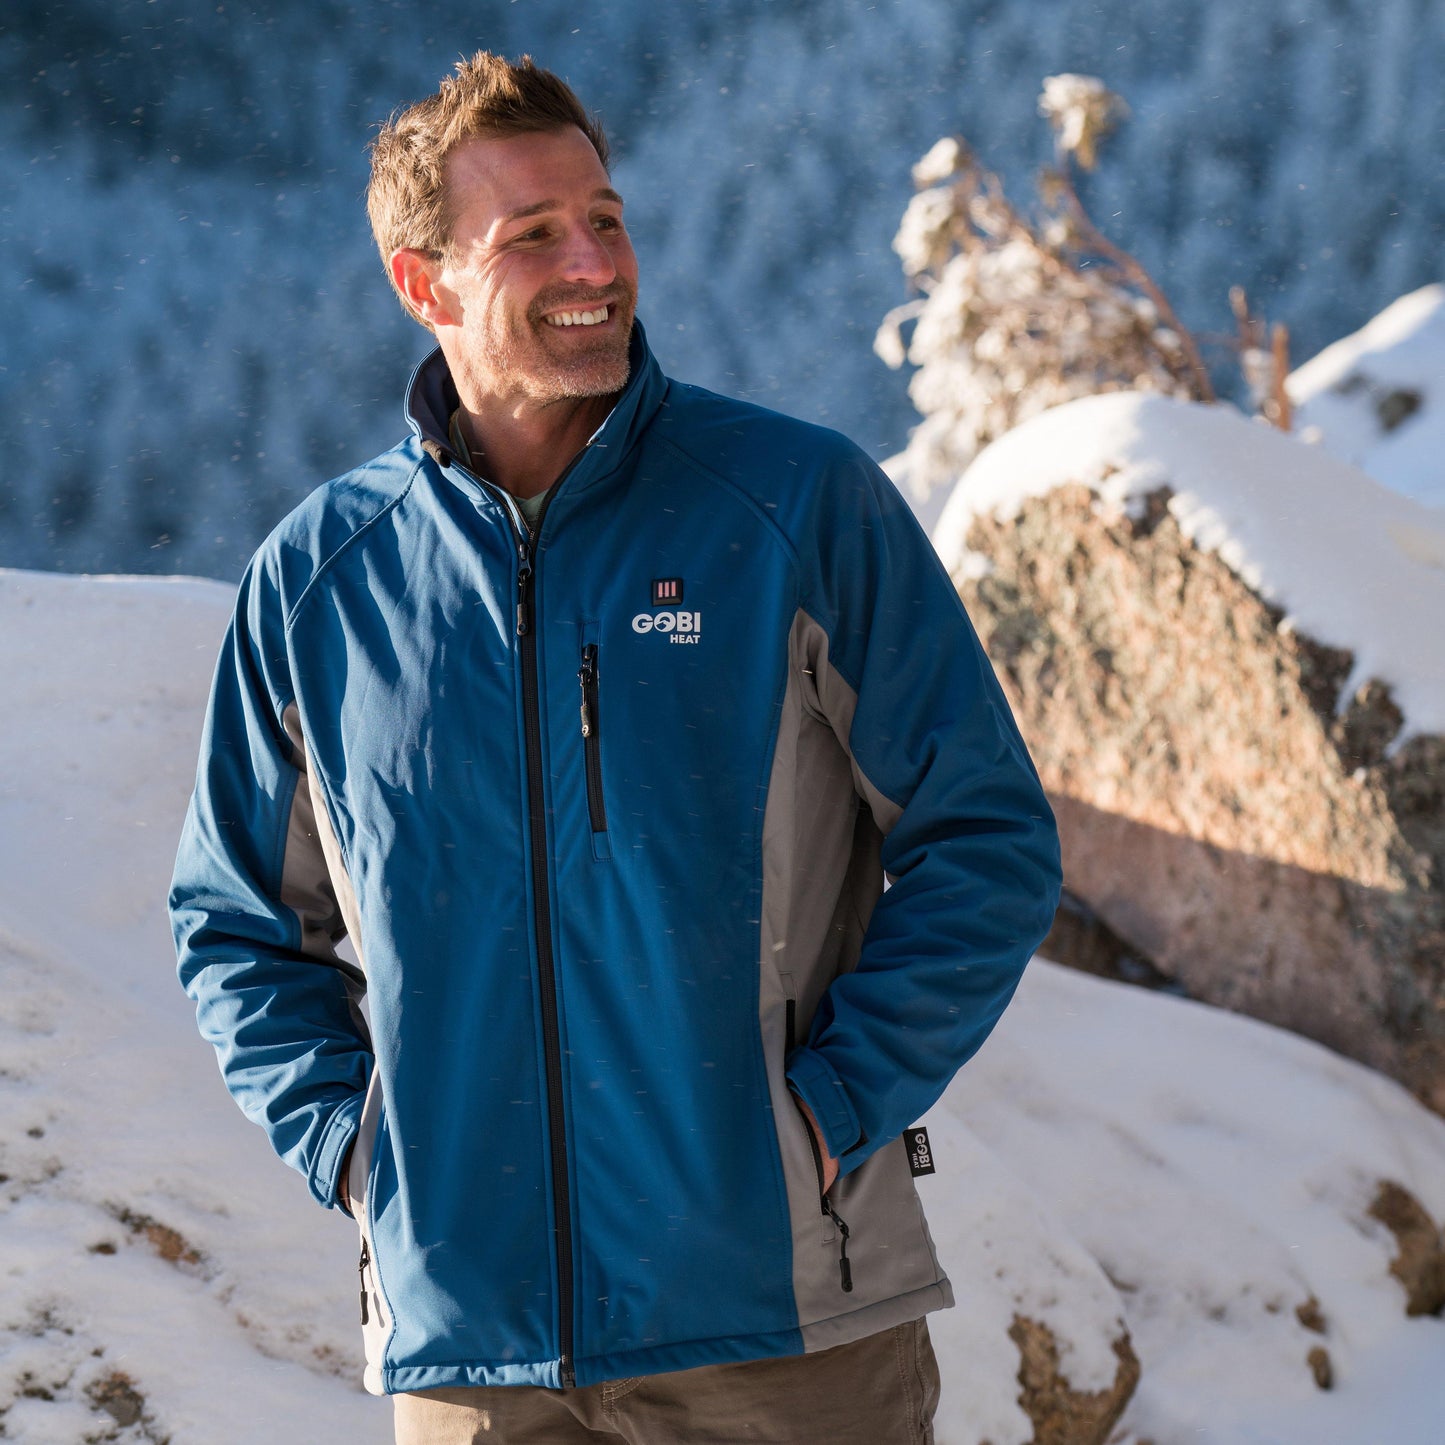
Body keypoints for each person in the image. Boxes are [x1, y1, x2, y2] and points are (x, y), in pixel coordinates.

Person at [170, 52, 1061, 1445]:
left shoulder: (791, 506)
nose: (593, 262)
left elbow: (986, 838)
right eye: (532, 234)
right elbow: (234, 924)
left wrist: (829, 1111)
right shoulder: (319, 582)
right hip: (475, 1355)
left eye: (605, 217)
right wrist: (357, 1150)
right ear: (424, 283)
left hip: (782, 1328)